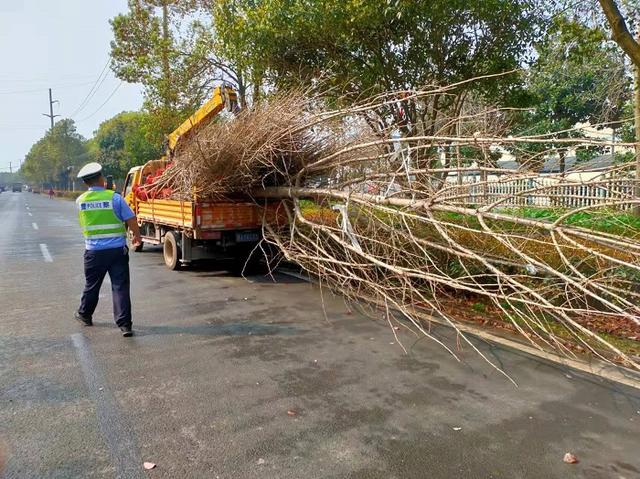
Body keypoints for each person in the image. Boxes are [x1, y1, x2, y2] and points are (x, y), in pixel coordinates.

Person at [74, 162, 142, 337]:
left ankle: (85, 315)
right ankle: (125, 325)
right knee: (120, 287)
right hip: (117, 251)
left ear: (85, 183)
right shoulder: (115, 198)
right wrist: (137, 236)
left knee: (92, 285)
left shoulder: (80, 201)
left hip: (93, 253)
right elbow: (131, 218)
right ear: (102, 179)